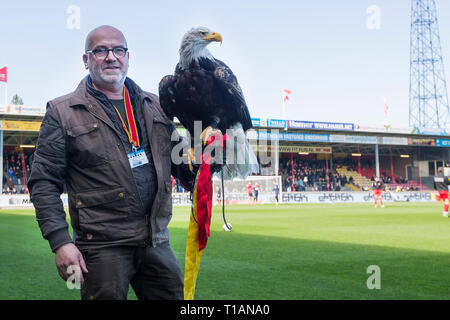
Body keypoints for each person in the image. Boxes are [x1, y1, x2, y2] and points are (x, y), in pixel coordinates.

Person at [28, 25, 195, 300]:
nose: (110, 57)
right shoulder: (62, 112)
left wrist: (210, 154)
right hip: (102, 246)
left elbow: (182, 164)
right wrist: (60, 242)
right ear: (86, 60)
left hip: (156, 240)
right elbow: (43, 182)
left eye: (118, 50)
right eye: (100, 50)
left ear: (128, 57)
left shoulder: (157, 105)